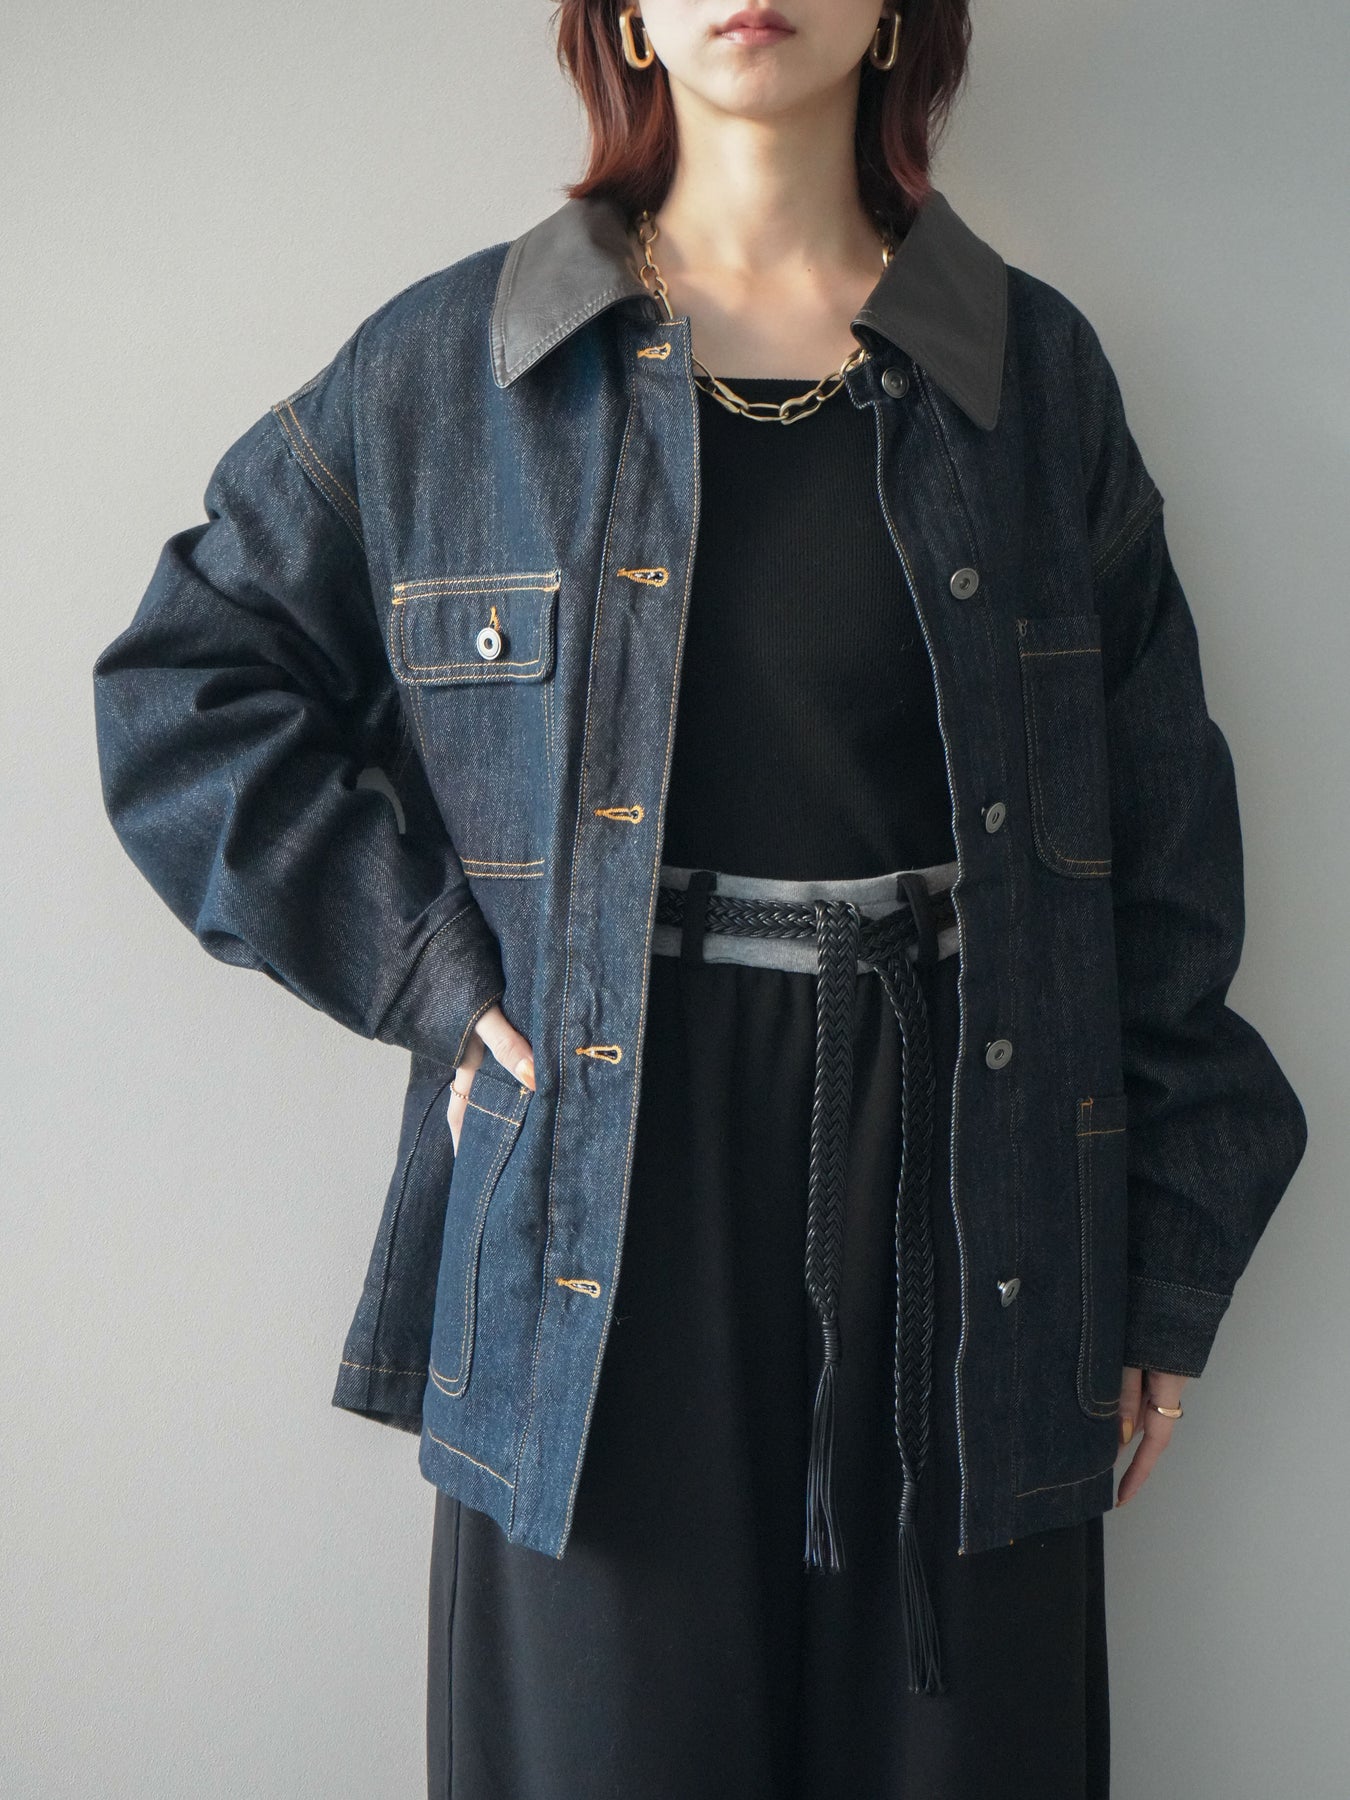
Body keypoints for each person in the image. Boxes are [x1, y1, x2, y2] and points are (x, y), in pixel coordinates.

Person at [91, 3, 1309, 1796]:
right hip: (593, 1193)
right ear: (626, 20)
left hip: (976, 1204)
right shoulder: (456, 369)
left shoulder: (1030, 376)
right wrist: (428, 975)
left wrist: (1164, 1266)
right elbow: (184, 691)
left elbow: (1161, 848)